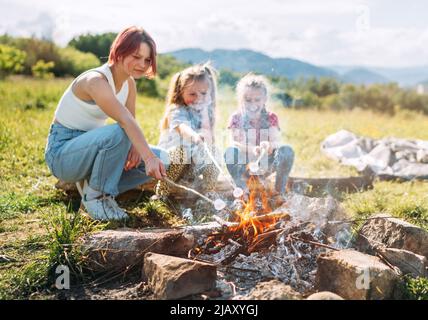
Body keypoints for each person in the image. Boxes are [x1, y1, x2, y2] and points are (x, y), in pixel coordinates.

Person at [44, 26, 168, 221]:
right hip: (62, 154)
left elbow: (131, 121)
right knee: (121, 133)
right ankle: (96, 197)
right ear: (119, 52)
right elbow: (125, 121)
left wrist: (140, 151)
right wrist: (147, 156)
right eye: (136, 56)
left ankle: (94, 186)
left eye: (147, 59)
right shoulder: (95, 81)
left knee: (164, 158)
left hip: (91, 149)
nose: (142, 64)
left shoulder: (129, 84)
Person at [224, 73, 294, 199]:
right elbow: (235, 142)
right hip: (244, 165)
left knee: (287, 150)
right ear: (241, 99)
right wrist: (251, 148)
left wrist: (268, 145)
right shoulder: (236, 118)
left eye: (257, 100)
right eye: (248, 100)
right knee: (230, 152)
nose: (253, 104)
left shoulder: (271, 117)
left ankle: (279, 192)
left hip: (265, 164)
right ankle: (242, 190)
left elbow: (275, 141)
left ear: (264, 99)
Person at [155, 63, 220, 198]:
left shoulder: (205, 111)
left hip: (192, 166)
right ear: (180, 92)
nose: (198, 98)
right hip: (170, 163)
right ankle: (161, 193)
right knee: (182, 153)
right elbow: (182, 127)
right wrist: (194, 136)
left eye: (203, 93)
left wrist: (204, 114)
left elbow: (209, 137)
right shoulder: (177, 110)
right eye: (192, 94)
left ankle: (209, 192)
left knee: (214, 152)